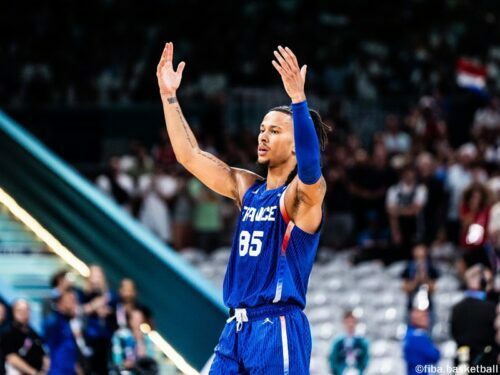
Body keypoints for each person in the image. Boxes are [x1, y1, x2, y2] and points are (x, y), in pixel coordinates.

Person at [157, 42, 329, 374]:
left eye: (275, 131)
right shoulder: (249, 188)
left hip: (276, 326)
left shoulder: (304, 196)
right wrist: (168, 96)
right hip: (235, 327)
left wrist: (298, 99)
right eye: (262, 129)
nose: (263, 136)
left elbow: (310, 168)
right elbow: (189, 156)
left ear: (296, 146)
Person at [450, 265, 498, 367]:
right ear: (481, 283)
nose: (492, 287)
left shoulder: (456, 308)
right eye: (489, 282)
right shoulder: (492, 308)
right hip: (487, 364)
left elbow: (454, 333)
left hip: (462, 363)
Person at [386, 165, 428, 260]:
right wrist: (395, 232)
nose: (409, 175)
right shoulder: (394, 190)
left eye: (411, 173)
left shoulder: (421, 189)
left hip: (415, 227)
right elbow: (390, 212)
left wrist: (398, 210)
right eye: (406, 173)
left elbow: (415, 210)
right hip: (399, 227)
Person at [1, 300, 49, 375]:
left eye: (26, 310)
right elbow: (11, 358)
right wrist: (34, 372)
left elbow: (43, 353)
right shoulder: (7, 332)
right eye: (19, 310)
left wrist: (44, 370)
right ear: (13, 312)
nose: (23, 313)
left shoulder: (32, 333)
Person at [43, 289, 81, 375]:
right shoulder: (54, 322)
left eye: (75, 301)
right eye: (71, 301)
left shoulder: (68, 323)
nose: (74, 305)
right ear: (59, 304)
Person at [401, 244, 439, 321]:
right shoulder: (408, 267)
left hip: (428, 308)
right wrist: (416, 280)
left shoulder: (431, 267)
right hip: (412, 307)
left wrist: (425, 278)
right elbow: (405, 288)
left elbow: (433, 289)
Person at [329, 311, 369, 375]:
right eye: (348, 322)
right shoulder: (338, 343)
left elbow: (365, 360)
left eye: (352, 321)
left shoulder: (362, 342)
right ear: (344, 323)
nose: (350, 324)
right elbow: (333, 361)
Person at [403, 309, 440, 375]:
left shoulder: (408, 335)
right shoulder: (419, 337)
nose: (427, 319)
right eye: (424, 317)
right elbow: (434, 356)